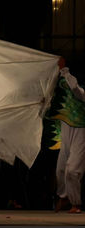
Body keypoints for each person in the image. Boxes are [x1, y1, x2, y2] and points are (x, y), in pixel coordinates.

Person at [55, 58, 85, 213]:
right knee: (60, 170)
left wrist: (64, 70)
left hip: (81, 133)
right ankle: (64, 197)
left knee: (72, 170)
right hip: (66, 131)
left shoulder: (82, 94)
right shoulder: (64, 98)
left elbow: (75, 89)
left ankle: (75, 203)